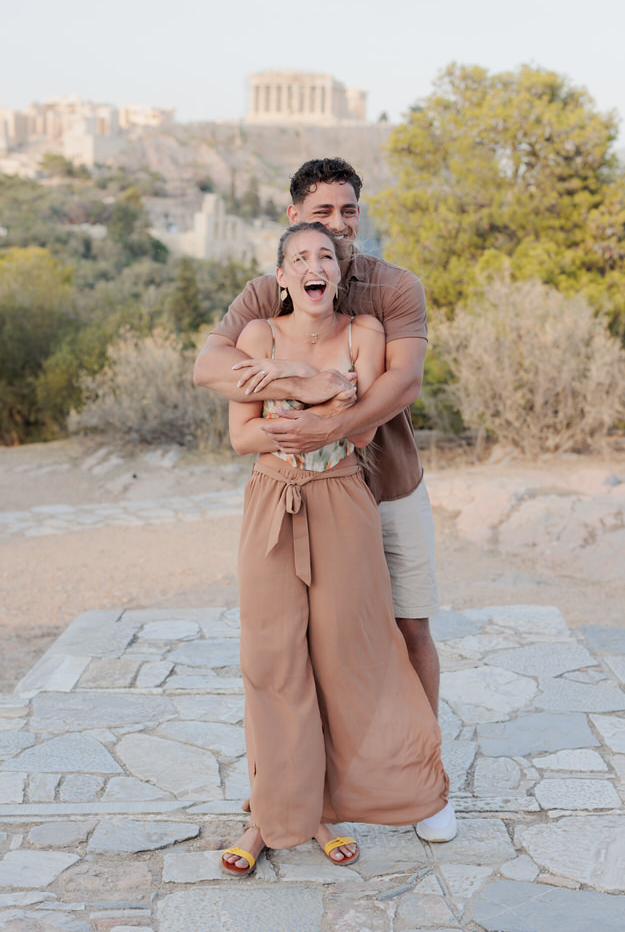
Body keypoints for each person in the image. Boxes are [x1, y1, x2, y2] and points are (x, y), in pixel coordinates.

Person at [194, 157, 456, 845]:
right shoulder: (267, 292)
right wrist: (300, 379)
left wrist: (326, 425)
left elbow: (401, 385)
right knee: (286, 652)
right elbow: (212, 367)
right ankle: (296, 799)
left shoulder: (393, 289)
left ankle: (421, 784)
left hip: (387, 485)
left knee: (407, 630)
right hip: (293, 493)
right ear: (294, 221)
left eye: (348, 213)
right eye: (321, 215)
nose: (336, 228)